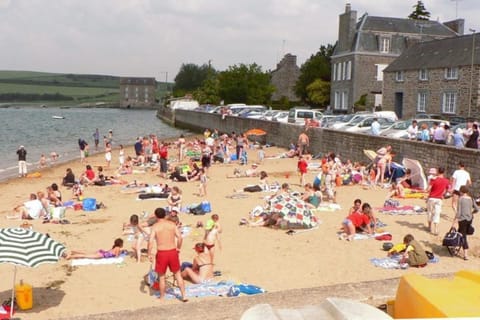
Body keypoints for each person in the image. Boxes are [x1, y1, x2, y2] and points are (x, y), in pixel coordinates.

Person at [147, 208, 187, 301]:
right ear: (165, 215)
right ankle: (184, 296)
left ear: (156, 216)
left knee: (161, 277)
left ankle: (162, 297)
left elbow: (150, 241)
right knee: (178, 274)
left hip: (162, 253)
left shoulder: (155, 227)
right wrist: (178, 248)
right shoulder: (172, 224)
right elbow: (180, 238)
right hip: (172, 251)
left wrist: (149, 253)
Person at [452, 185, 476, 260]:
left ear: (461, 191)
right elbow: (477, 208)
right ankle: (456, 248)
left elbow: (459, 212)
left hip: (462, 219)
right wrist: (472, 213)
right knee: (460, 232)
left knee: (463, 235)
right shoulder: (471, 199)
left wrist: (454, 220)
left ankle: (466, 254)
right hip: (470, 219)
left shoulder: (461, 199)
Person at [426, 167, 450, 235]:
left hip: (432, 197)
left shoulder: (433, 179)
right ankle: (436, 229)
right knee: (437, 213)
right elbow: (448, 190)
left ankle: (429, 227)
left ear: (437, 172)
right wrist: (443, 194)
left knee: (430, 212)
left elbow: (428, 189)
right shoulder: (446, 181)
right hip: (439, 198)